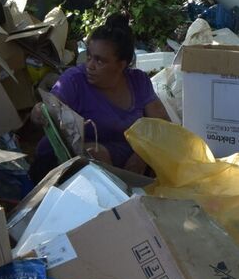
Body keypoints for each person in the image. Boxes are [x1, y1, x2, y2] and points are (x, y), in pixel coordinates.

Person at [29, 14, 167, 182]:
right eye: (89, 56)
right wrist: (39, 113)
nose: (90, 65)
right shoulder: (74, 81)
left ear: (121, 65)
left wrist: (142, 156)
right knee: (95, 153)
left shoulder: (138, 82)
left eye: (100, 61)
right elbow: (48, 111)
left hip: (124, 160)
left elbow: (163, 126)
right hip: (67, 165)